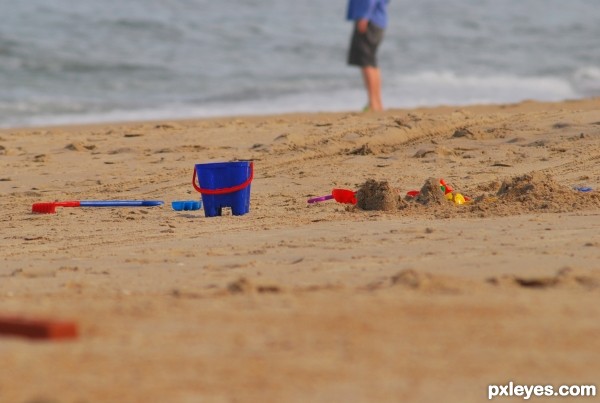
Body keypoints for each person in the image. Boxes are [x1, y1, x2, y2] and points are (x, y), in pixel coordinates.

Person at [346, 0, 389, 112]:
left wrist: (364, 16)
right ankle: (376, 102)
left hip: (370, 20)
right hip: (377, 19)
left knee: (366, 62)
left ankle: (373, 104)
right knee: (371, 61)